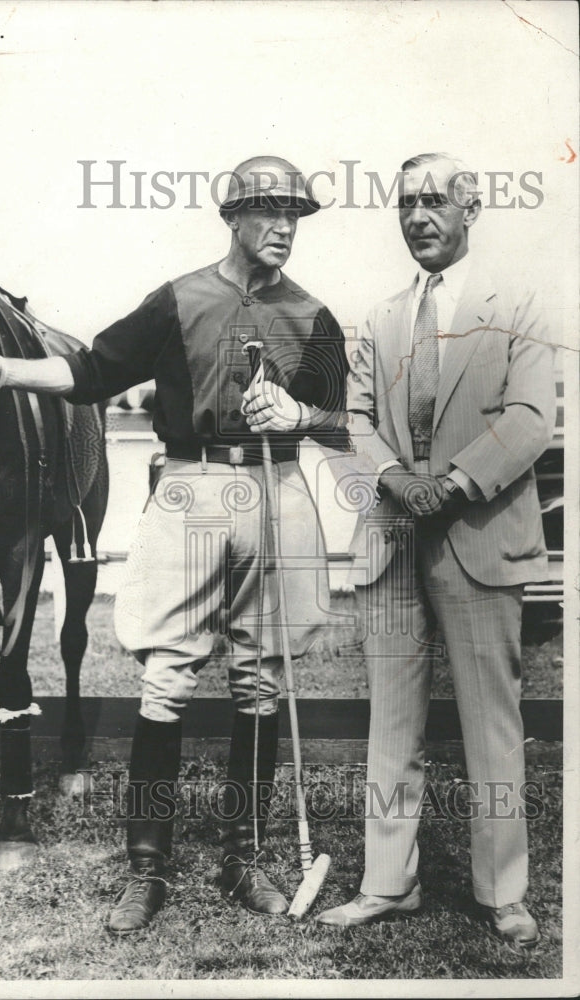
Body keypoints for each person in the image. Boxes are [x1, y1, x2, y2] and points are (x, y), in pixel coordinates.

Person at [0, 156, 349, 932]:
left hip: (277, 490)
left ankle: (245, 857)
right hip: (191, 488)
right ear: (231, 218)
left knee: (261, 681)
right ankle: (148, 869)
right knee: (167, 677)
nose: (283, 227)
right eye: (267, 210)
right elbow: (91, 370)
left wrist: (299, 417)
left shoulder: (314, 316)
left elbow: (340, 418)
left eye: (294, 213)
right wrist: (5, 370)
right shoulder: (179, 299)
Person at [318, 153, 555, 948]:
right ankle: (388, 885)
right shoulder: (380, 318)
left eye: (434, 202)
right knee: (392, 726)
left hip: (480, 539)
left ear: (470, 208)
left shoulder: (517, 304)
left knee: (493, 724)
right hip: (392, 541)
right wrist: (392, 477)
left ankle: (503, 891)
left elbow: (529, 421)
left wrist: (449, 484)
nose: (418, 216)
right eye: (406, 203)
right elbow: (351, 421)